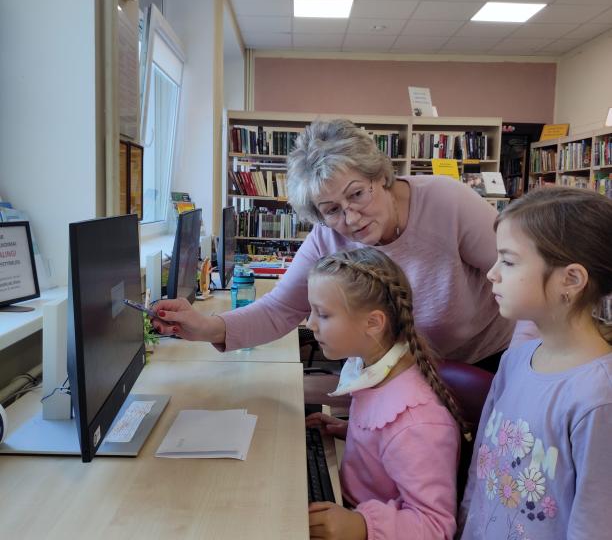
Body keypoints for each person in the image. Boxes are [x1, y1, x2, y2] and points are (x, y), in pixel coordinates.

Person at [153, 119, 532, 369]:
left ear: (381, 177)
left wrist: (527, 366)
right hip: (406, 368)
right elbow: (280, 309)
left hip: (492, 358)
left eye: (357, 195)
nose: (350, 219)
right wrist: (206, 326)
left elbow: (524, 278)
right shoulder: (327, 237)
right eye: (331, 209)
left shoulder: (448, 202)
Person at [459, 187, 612, 539]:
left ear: (570, 280)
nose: (492, 274)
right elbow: (480, 471)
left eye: (509, 261)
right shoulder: (514, 361)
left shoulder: (597, 398)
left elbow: (594, 525)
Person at [305, 247, 465, 540]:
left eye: (323, 314)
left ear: (373, 323)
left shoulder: (417, 423)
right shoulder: (375, 367)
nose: (310, 324)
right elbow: (387, 441)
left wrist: (361, 527)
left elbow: (436, 526)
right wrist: (350, 430)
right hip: (348, 502)